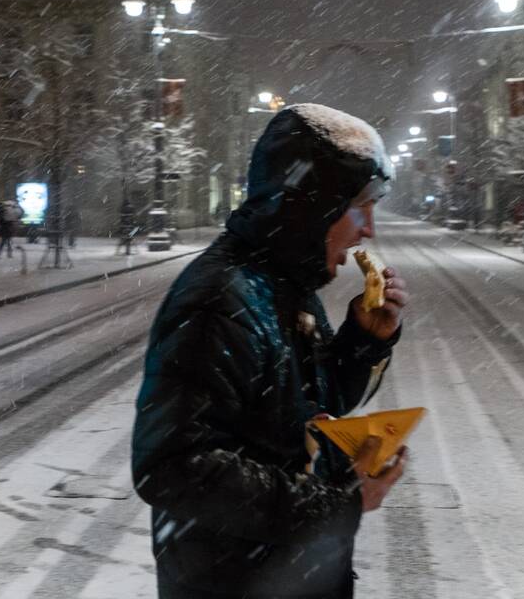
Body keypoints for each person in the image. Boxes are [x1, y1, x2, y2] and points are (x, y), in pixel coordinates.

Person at [132, 103, 410, 598]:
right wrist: (334, 506)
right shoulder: (219, 300)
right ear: (312, 206)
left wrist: (365, 340)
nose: (368, 228)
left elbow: (305, 409)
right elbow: (173, 466)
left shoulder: (284, 286)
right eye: (359, 206)